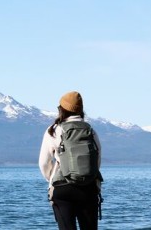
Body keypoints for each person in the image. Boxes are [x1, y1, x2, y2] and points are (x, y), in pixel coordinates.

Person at [38, 91, 102, 230]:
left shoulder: (53, 130)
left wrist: (53, 179)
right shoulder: (90, 130)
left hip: (62, 189)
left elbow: (43, 163)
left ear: (61, 109)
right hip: (88, 189)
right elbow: (97, 160)